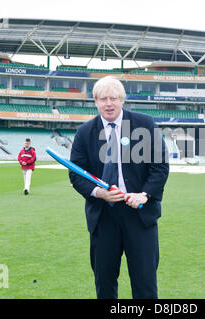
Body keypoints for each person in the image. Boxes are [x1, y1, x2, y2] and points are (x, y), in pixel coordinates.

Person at [69, 76, 169, 299]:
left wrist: (144, 195)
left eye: (113, 98)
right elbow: (76, 175)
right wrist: (99, 193)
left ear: (122, 100)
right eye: (103, 99)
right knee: (104, 285)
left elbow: (160, 166)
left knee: (145, 285)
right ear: (95, 101)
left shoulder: (144, 125)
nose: (108, 103)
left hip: (140, 216)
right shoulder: (85, 132)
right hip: (103, 217)